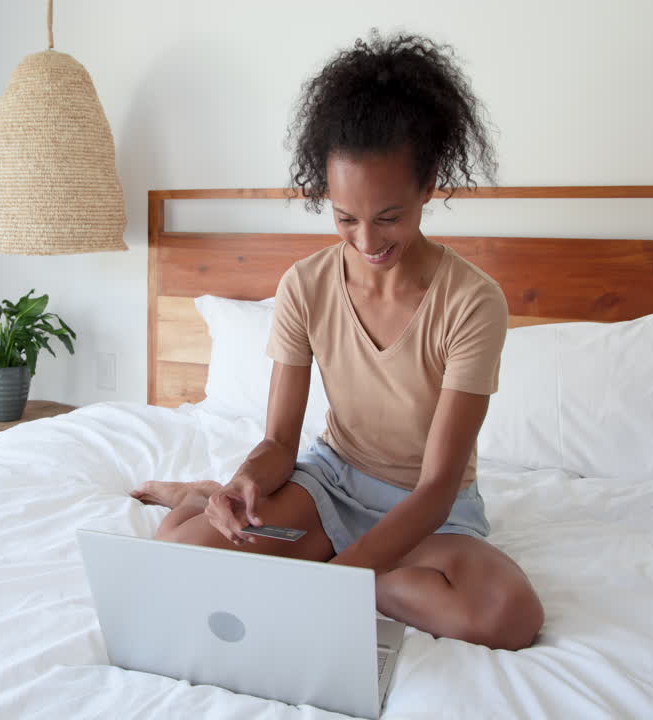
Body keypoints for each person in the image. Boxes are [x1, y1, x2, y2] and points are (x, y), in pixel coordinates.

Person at [131, 31, 544, 651]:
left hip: (428, 511)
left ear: (429, 185)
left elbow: (436, 488)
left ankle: (321, 562)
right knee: (183, 550)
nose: (367, 241)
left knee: (508, 616)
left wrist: (335, 581)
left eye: (389, 217)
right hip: (332, 485)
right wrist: (245, 480)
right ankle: (206, 496)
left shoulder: (471, 301)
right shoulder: (305, 285)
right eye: (346, 218)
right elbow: (279, 442)